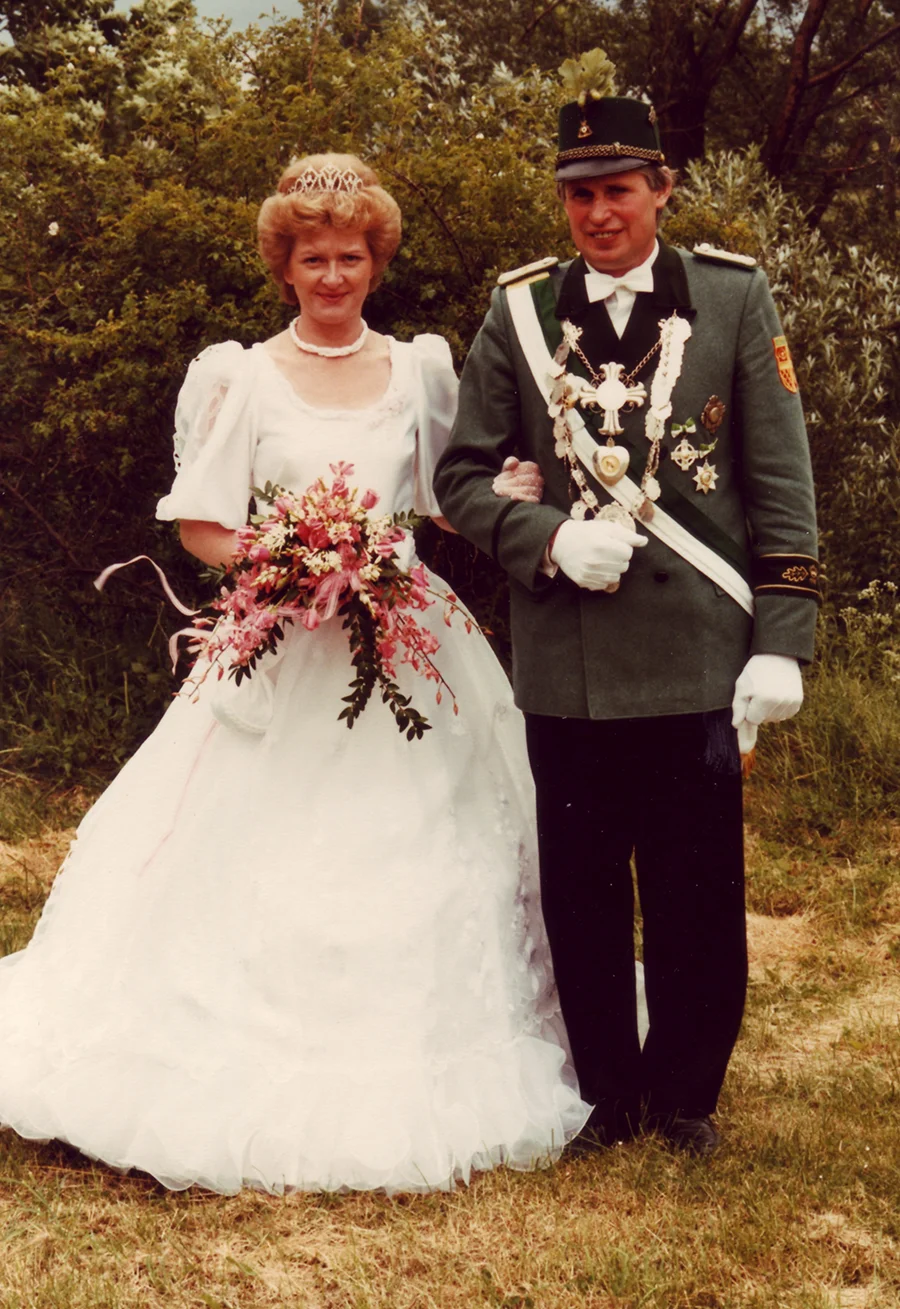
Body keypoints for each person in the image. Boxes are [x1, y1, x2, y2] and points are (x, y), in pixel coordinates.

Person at [0, 153, 591, 1194]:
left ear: (376, 263)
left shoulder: (420, 369)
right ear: (285, 265)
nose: (332, 276)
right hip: (282, 638)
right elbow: (200, 524)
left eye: (350, 257)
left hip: (406, 637)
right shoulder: (243, 376)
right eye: (314, 258)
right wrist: (292, 562)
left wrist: (504, 496)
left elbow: (443, 498)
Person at [433, 91, 819, 1156]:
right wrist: (548, 537)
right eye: (579, 195)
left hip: (697, 645)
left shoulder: (732, 298)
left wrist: (783, 638)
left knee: (697, 887)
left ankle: (686, 1095)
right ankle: (607, 1095)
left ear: (661, 190)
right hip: (570, 654)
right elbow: (460, 475)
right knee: (583, 889)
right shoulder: (521, 310)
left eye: (617, 190)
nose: (598, 213)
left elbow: (780, 480)